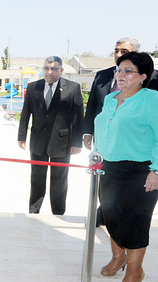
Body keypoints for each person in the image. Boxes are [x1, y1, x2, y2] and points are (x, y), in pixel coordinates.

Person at [94, 52, 158, 282]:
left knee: (136, 221)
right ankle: (118, 257)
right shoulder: (111, 99)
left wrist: (156, 170)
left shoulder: (152, 99)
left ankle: (134, 271)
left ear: (143, 76)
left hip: (141, 171)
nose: (121, 75)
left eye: (128, 71)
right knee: (113, 217)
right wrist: (96, 157)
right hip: (109, 169)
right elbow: (103, 131)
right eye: (119, 70)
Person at [83, 37, 158, 227]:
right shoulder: (105, 84)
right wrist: (89, 135)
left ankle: (130, 256)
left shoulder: (153, 88)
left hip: (138, 164)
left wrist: (156, 170)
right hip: (109, 161)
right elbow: (94, 107)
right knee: (112, 212)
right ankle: (117, 255)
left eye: (124, 51)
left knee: (132, 219)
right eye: (117, 51)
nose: (118, 55)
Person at [17, 56, 84, 215]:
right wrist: (21, 137)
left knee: (59, 181)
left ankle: (58, 212)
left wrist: (77, 143)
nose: (49, 72)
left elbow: (78, 117)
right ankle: (34, 211)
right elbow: (25, 113)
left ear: (61, 70)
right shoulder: (33, 87)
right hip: (38, 141)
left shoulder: (72, 88)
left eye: (54, 69)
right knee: (37, 179)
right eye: (46, 68)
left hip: (62, 143)